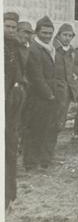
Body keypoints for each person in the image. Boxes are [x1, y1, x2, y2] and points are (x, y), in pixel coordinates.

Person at [22, 16, 58, 170]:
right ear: (37, 32)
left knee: (48, 128)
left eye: (50, 33)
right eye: (44, 33)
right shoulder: (34, 49)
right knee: (35, 129)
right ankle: (31, 163)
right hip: (38, 96)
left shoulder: (49, 48)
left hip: (49, 94)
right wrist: (49, 95)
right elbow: (36, 76)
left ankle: (44, 160)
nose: (47, 36)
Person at [3, 12, 24, 209]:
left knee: (10, 148)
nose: (10, 30)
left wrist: (17, 86)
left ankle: (8, 197)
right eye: (7, 26)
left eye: (13, 27)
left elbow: (19, 74)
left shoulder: (16, 48)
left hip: (11, 105)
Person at [50, 23, 78, 155]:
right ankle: (45, 150)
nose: (67, 38)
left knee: (60, 121)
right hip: (54, 90)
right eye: (65, 35)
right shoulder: (53, 49)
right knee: (51, 120)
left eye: (70, 35)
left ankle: (51, 149)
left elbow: (72, 68)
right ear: (58, 35)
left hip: (67, 91)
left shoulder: (71, 51)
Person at [16, 21, 34, 154]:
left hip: (28, 88)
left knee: (26, 118)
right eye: (24, 32)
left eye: (29, 33)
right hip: (16, 87)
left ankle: (22, 145)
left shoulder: (29, 49)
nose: (27, 36)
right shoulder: (12, 47)